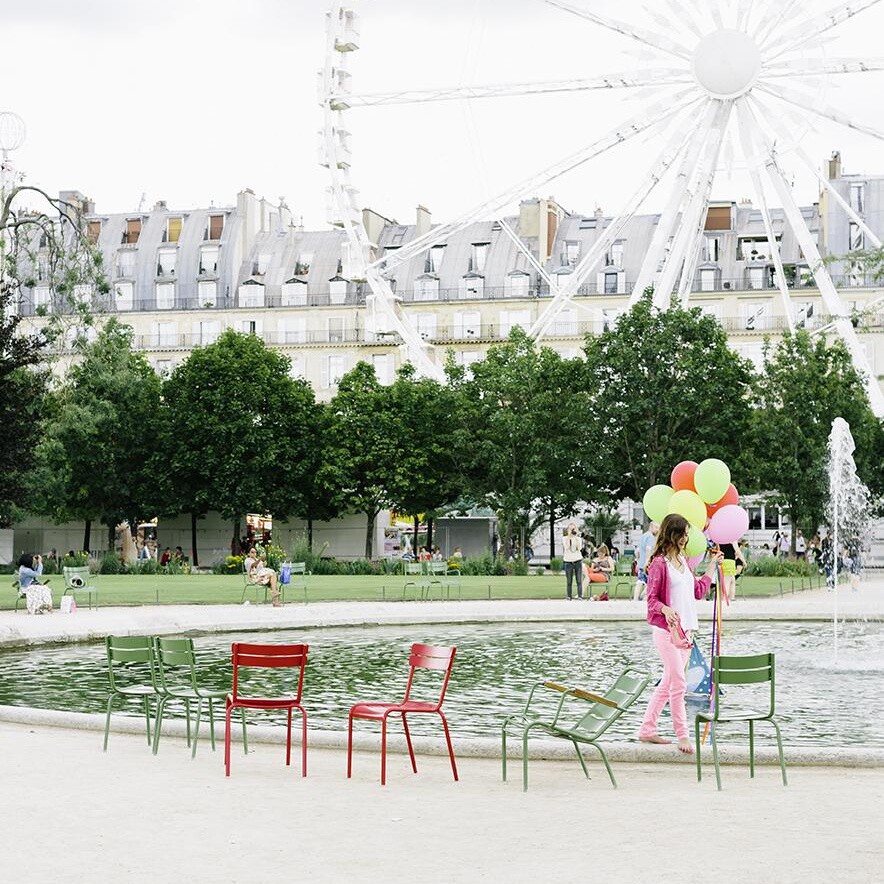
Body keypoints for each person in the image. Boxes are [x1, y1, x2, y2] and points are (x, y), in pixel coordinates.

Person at [638, 513, 723, 755]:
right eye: (683, 534)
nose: (686, 538)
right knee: (679, 683)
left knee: (667, 684)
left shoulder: (683, 561)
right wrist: (665, 609)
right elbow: (651, 601)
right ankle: (682, 735)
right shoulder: (659, 564)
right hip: (667, 632)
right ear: (672, 534)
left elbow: (698, 591)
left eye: (687, 534)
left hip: (685, 633)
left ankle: (647, 729)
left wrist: (711, 567)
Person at [634, 521, 659, 601]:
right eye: (656, 527)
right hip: (647, 564)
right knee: (651, 581)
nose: (657, 530)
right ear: (651, 527)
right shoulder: (651, 537)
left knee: (640, 581)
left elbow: (637, 551)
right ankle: (643, 596)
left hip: (641, 563)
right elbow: (648, 549)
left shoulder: (643, 536)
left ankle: (635, 599)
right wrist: (647, 561)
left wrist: (638, 562)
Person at [562, 523, 584, 600]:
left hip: (578, 560)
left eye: (573, 529)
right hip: (568, 561)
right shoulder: (564, 538)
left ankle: (580, 596)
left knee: (579, 580)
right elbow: (566, 547)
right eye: (570, 529)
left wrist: (576, 537)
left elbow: (579, 548)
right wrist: (569, 537)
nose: (572, 531)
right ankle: (569, 596)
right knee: (569, 581)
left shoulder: (579, 539)